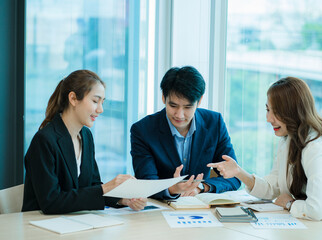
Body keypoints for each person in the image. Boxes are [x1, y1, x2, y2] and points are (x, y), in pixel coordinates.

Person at [208, 77, 322, 221]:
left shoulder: (316, 149)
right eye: (268, 110)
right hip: (308, 225)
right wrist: (238, 172)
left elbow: (318, 210)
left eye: (275, 112)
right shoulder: (288, 141)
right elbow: (273, 187)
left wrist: (290, 204)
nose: (268, 118)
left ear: (294, 111)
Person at [22, 70, 147, 214]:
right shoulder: (44, 140)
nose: (100, 109)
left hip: (73, 223)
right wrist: (106, 187)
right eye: (95, 101)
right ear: (73, 98)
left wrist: (122, 200)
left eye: (102, 102)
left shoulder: (86, 136)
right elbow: (51, 202)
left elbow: (92, 186)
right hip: (40, 227)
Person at [131, 66, 241, 200]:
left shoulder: (214, 123)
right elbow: (146, 183)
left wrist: (201, 187)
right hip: (161, 208)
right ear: (163, 98)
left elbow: (234, 176)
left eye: (188, 107)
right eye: (173, 106)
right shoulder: (143, 130)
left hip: (201, 208)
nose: (179, 115)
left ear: (199, 101)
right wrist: (173, 189)